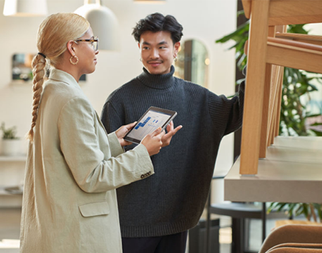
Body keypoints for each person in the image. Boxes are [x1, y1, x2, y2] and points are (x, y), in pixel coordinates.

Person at [19, 13, 167, 253]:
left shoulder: (52, 91)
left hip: (57, 230)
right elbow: (93, 177)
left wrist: (113, 141)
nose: (96, 49)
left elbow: (68, 157)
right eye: (91, 41)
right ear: (72, 48)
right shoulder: (72, 100)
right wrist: (143, 152)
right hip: (78, 237)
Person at [101, 12, 245, 253]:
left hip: (177, 219)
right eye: (146, 47)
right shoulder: (119, 101)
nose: (153, 55)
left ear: (176, 48)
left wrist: (256, 65)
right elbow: (104, 163)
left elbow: (238, 111)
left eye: (161, 46)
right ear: (139, 48)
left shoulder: (199, 98)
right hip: (129, 223)